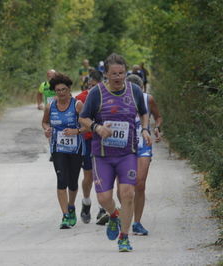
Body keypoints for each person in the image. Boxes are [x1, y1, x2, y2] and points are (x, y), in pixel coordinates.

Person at [79, 53, 152, 252]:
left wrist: (145, 129)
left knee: (127, 193)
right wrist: (97, 127)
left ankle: (124, 237)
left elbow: (144, 112)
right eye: (114, 74)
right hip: (102, 155)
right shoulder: (97, 93)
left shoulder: (134, 90)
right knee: (103, 198)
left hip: (127, 153)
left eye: (121, 73)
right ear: (106, 74)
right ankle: (113, 215)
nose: (118, 77)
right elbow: (83, 118)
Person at [42, 72, 87, 229]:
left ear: (69, 89)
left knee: (72, 182)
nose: (61, 93)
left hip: (76, 148)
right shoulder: (50, 106)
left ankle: (71, 206)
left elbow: (88, 125)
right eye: (57, 90)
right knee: (61, 180)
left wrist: (77, 131)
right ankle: (65, 215)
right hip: (58, 148)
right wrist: (47, 130)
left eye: (63, 90)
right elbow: (45, 123)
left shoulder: (77, 105)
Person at [126, 74, 162, 236]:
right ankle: (125, 215)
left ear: (142, 90)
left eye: (138, 93)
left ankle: (137, 223)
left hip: (143, 145)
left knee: (140, 184)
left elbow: (158, 117)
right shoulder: (120, 100)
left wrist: (157, 128)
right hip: (123, 148)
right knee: (125, 187)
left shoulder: (148, 99)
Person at [75, 70, 109, 225]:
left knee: (104, 175)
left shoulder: (108, 97)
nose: (92, 89)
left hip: (105, 141)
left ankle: (103, 208)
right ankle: (86, 202)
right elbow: (81, 122)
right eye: (90, 86)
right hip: (88, 141)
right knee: (88, 176)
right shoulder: (81, 98)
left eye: (95, 86)